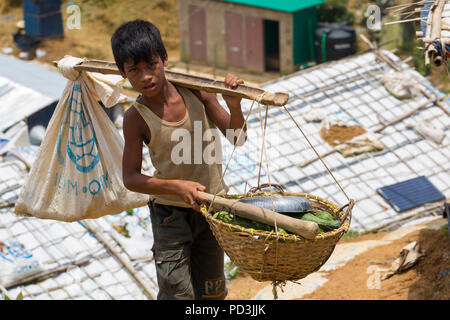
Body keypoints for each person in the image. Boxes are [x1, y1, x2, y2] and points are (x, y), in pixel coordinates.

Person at [111, 20, 247, 300]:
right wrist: (178, 187)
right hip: (170, 215)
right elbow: (131, 178)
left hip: (212, 207)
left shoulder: (198, 92)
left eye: (151, 65)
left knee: (212, 291)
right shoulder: (136, 118)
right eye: (134, 70)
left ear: (164, 59)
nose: (145, 76)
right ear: (122, 73)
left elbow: (237, 138)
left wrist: (234, 106)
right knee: (177, 292)